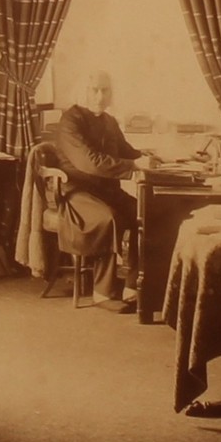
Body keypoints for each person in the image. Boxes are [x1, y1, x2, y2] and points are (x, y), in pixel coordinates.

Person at [49, 70, 152, 310]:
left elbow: (127, 152)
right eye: (93, 89)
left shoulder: (108, 121)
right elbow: (90, 162)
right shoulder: (70, 121)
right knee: (109, 218)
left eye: (105, 90)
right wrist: (135, 165)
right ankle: (102, 292)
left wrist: (153, 158)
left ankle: (132, 284)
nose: (99, 96)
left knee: (146, 212)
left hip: (106, 191)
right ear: (82, 91)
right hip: (77, 193)